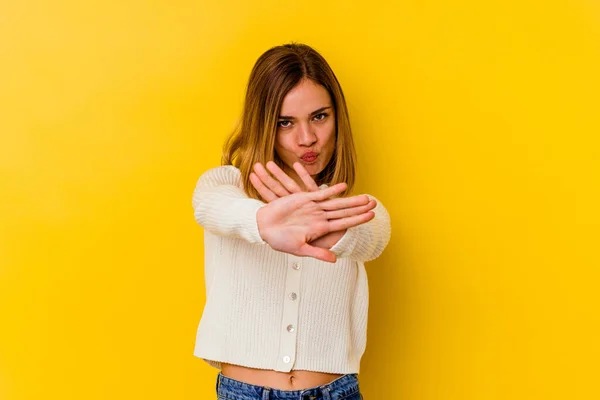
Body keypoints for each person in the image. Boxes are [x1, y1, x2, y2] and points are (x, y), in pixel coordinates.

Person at [191, 43, 391, 400]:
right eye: (286, 122)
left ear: (337, 117)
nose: (307, 138)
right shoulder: (224, 186)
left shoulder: (356, 210)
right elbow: (211, 207)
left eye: (319, 116)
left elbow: (373, 236)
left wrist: (328, 229)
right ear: (263, 123)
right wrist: (262, 221)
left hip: (335, 393)